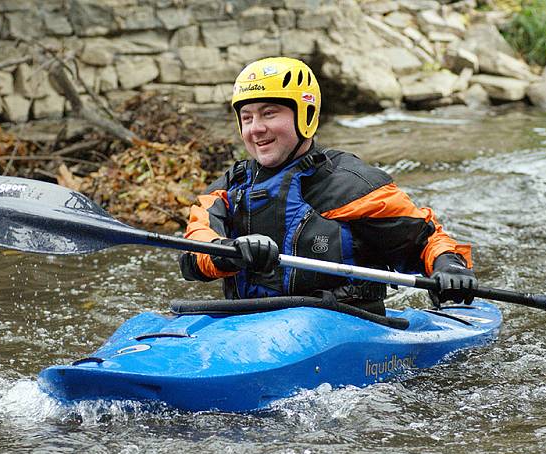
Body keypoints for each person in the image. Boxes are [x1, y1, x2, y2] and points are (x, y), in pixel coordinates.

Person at [179, 56, 476, 314]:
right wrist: (227, 251)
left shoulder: (353, 186)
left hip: (343, 326)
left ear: (305, 116)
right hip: (250, 323)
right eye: (247, 117)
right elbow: (194, 251)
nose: (256, 128)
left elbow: (425, 240)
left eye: (269, 113)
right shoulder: (229, 189)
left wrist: (449, 266)